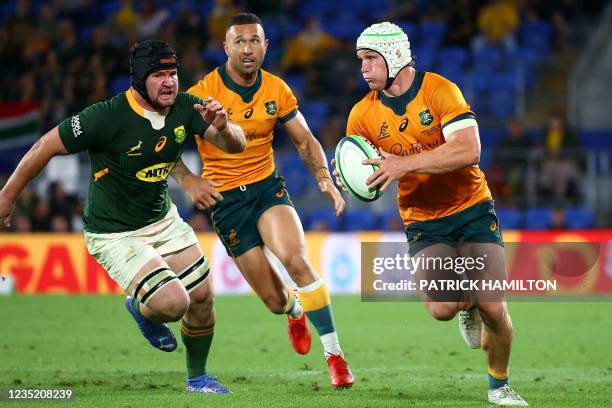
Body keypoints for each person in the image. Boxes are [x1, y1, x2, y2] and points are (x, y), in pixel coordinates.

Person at [0, 39, 246, 394]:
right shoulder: (106, 116)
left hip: (162, 220)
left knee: (204, 296)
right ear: (140, 80)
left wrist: (223, 126)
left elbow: (235, 145)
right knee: (174, 303)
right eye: (159, 75)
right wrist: (8, 196)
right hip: (115, 233)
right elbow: (46, 146)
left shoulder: (187, 106)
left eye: (173, 73)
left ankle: (197, 379)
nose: (169, 82)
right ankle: (140, 308)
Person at [333, 22, 528, 405]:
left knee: (494, 306)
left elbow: (469, 150)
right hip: (423, 218)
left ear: (393, 57)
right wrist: (351, 176)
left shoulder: (440, 90)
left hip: (472, 207)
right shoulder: (361, 115)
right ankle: (465, 304)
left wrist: (404, 165)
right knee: (442, 308)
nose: (363, 68)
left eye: (370, 59)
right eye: (360, 61)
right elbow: (369, 169)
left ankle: (499, 386)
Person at [186, 13, 354, 389]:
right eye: (239, 41)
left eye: (254, 41)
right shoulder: (200, 94)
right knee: (276, 302)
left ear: (266, 46)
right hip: (226, 203)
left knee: (296, 259)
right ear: (225, 47)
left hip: (266, 189)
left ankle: (335, 356)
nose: (247, 48)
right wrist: (188, 179)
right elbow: (161, 142)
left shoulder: (277, 89)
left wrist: (324, 179)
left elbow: (305, 139)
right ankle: (295, 310)